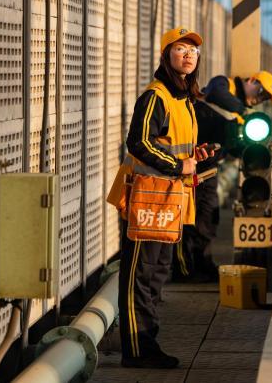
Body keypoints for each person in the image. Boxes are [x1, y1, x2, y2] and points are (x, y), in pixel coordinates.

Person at [106, 27, 213, 369]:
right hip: (148, 196)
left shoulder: (183, 98)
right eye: (180, 49)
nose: (188, 55)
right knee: (140, 271)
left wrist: (195, 154)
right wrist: (177, 163)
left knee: (156, 272)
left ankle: (148, 341)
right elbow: (139, 142)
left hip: (169, 197)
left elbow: (167, 141)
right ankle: (136, 348)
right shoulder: (156, 96)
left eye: (193, 51)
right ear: (166, 55)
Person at [186, 71, 272, 280]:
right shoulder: (223, 84)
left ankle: (203, 264)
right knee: (197, 219)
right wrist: (243, 111)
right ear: (252, 80)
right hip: (193, 166)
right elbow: (215, 94)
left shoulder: (238, 116)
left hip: (209, 168)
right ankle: (189, 268)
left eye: (264, 99)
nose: (259, 99)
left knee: (209, 217)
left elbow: (233, 146)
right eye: (261, 92)